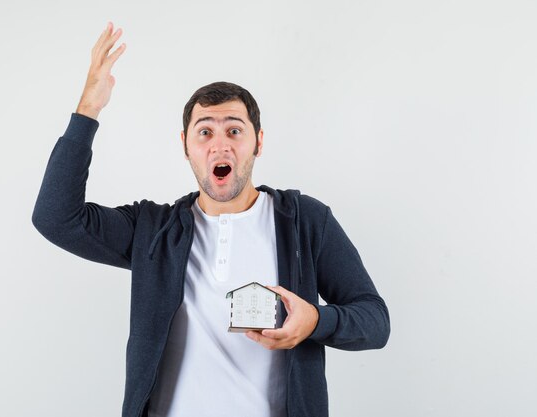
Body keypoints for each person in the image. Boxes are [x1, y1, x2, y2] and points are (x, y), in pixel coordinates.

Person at [32, 21, 390, 417]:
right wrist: (89, 110)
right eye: (204, 132)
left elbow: (374, 320)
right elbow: (55, 217)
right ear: (185, 146)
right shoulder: (153, 230)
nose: (220, 144)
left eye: (234, 130)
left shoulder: (305, 221)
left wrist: (317, 320)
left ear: (259, 142)